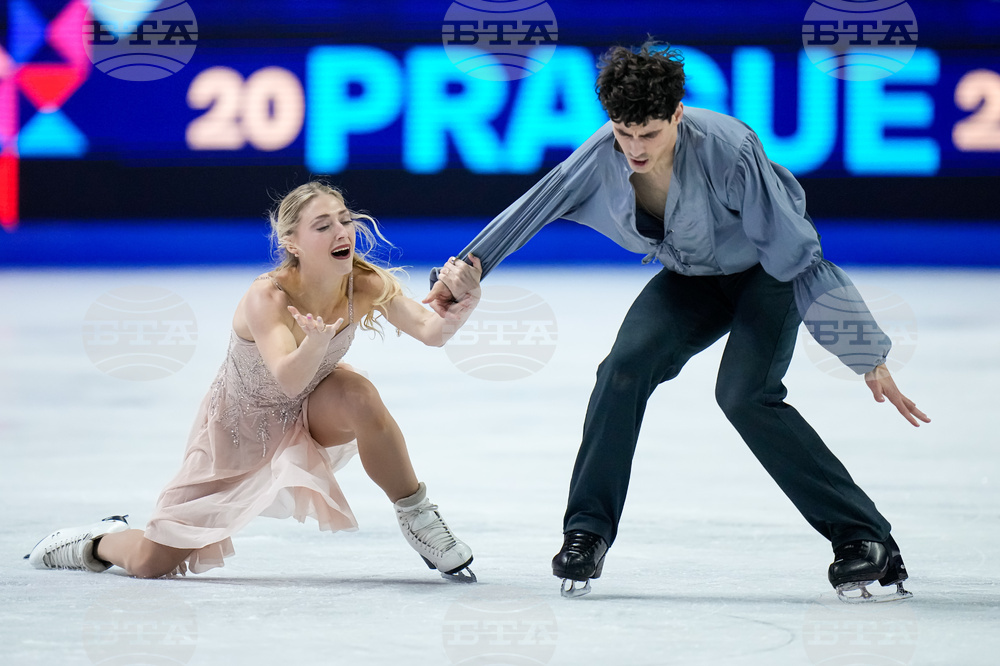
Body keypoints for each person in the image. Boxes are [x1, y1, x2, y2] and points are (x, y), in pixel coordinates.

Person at [423, 43, 930, 601]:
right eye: (623, 132)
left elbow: (797, 252)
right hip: (692, 280)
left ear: (677, 114)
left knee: (744, 395)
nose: (635, 149)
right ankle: (586, 532)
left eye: (650, 133)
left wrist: (864, 352)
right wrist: (465, 270)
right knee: (622, 369)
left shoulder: (730, 150)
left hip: (767, 273)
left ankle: (864, 538)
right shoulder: (602, 152)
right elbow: (534, 205)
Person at [27, 181, 483, 581]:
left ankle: (418, 516)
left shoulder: (363, 282)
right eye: (322, 226)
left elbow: (431, 331)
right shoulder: (267, 296)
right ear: (293, 242)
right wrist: (316, 345)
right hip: (239, 430)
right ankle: (98, 539)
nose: (342, 232)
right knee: (152, 562)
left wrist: (464, 299)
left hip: (311, 408)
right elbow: (288, 376)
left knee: (359, 396)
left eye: (344, 220)